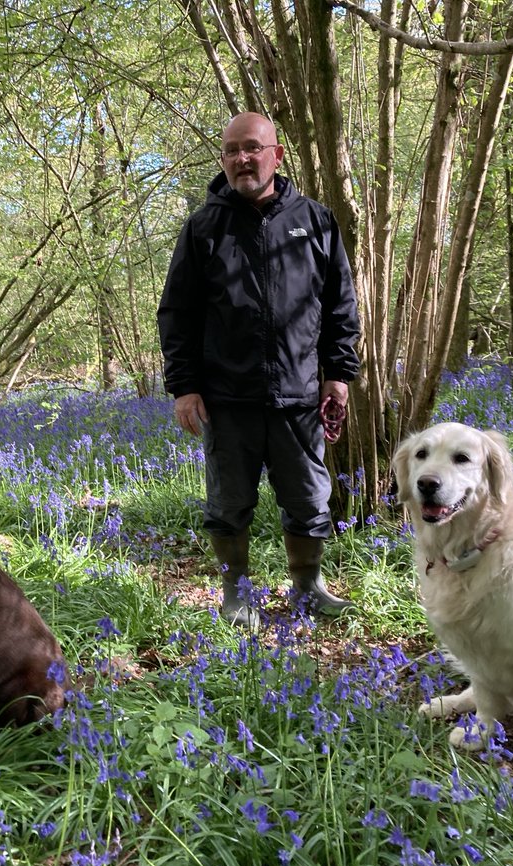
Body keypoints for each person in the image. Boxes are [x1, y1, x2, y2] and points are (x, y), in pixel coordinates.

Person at [157, 111, 361, 628]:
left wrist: (338, 373)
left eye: (252, 147)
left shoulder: (315, 221)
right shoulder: (204, 228)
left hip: (300, 395)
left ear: (276, 155)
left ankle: (309, 588)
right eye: (231, 150)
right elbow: (176, 313)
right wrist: (184, 387)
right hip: (228, 399)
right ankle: (237, 594)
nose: (241, 159)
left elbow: (341, 304)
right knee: (228, 504)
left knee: (310, 500)